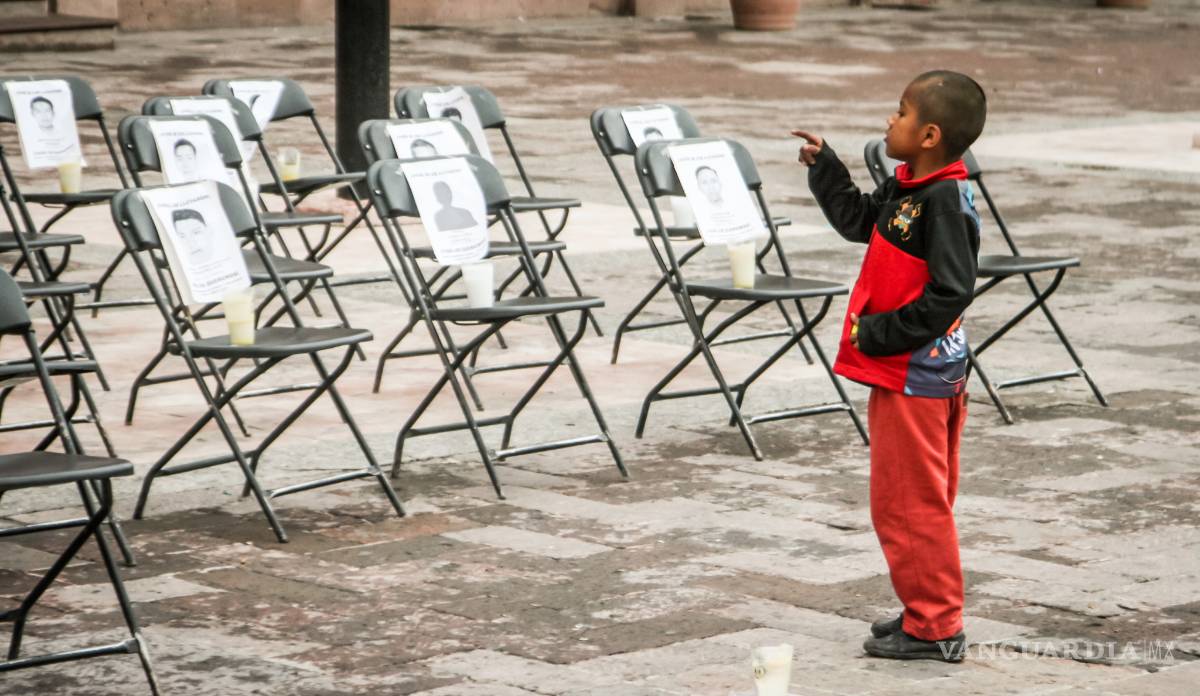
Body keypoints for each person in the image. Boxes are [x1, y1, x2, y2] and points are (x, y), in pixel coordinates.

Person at [794, 69, 986, 663]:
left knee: (908, 503)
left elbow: (952, 291)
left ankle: (935, 627)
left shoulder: (945, 200)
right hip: (909, 373)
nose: (889, 121)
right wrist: (828, 168)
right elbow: (858, 221)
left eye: (899, 113)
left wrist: (877, 333)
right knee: (916, 499)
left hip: (915, 377)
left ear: (929, 134)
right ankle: (924, 607)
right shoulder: (909, 186)